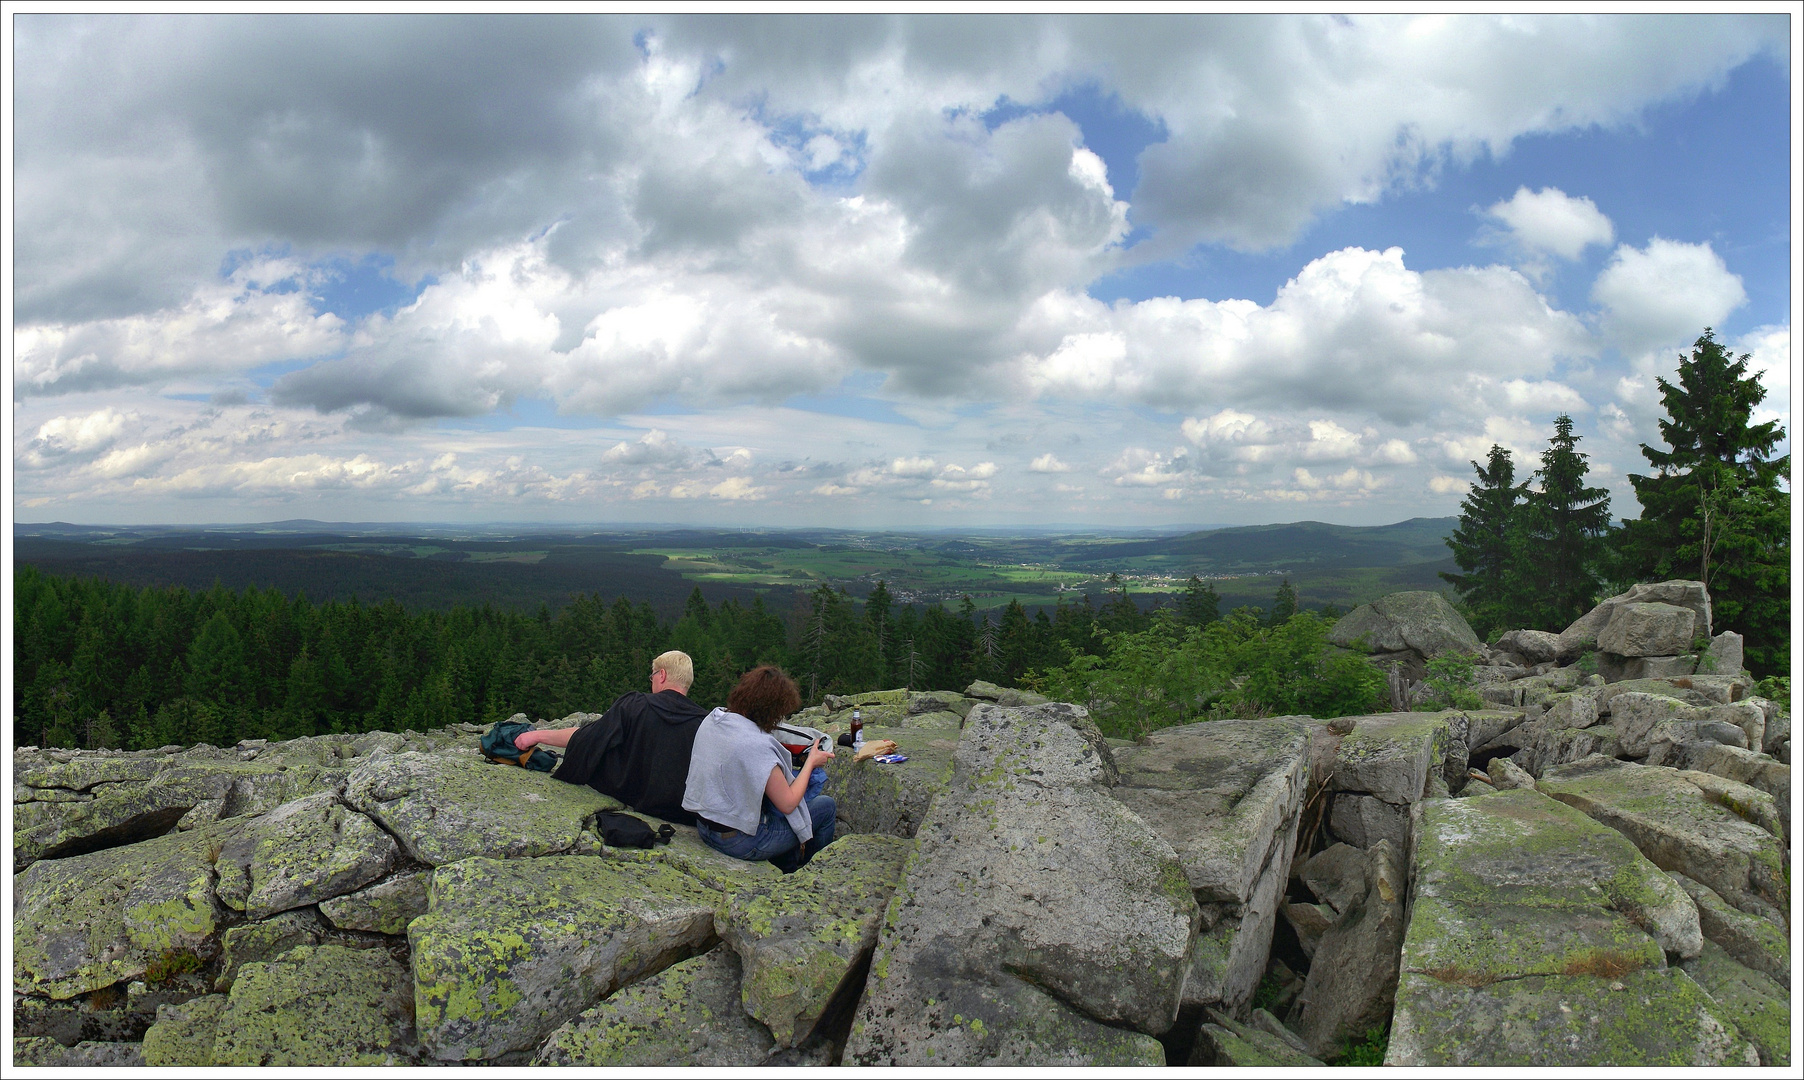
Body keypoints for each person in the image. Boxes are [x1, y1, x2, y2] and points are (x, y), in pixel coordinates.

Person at [518, 650, 706, 825]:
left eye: (653, 676)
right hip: (680, 813)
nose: (652, 681)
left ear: (662, 675)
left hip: (631, 796)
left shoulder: (635, 705)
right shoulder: (705, 723)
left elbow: (589, 738)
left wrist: (537, 735)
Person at [683, 665, 836, 872]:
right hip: (737, 842)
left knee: (771, 806)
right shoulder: (757, 745)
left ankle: (787, 865)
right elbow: (788, 803)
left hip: (705, 826)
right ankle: (811, 873)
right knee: (826, 807)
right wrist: (811, 763)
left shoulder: (713, 720)